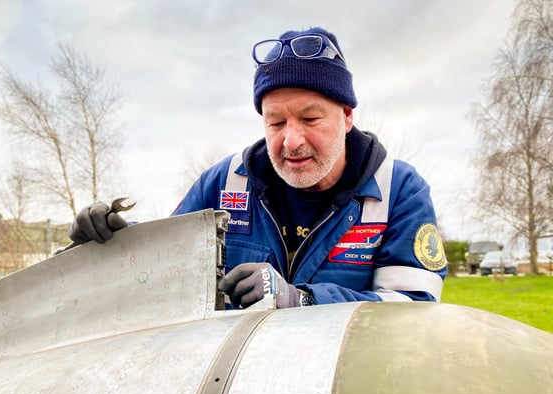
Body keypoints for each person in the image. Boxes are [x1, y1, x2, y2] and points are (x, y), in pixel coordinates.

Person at [68, 27, 447, 309]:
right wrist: (114, 239)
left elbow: (412, 308)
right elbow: (171, 265)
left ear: (347, 116)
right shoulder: (225, 181)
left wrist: (303, 300)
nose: (291, 141)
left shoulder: (399, 189)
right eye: (276, 123)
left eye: (310, 119)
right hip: (237, 390)